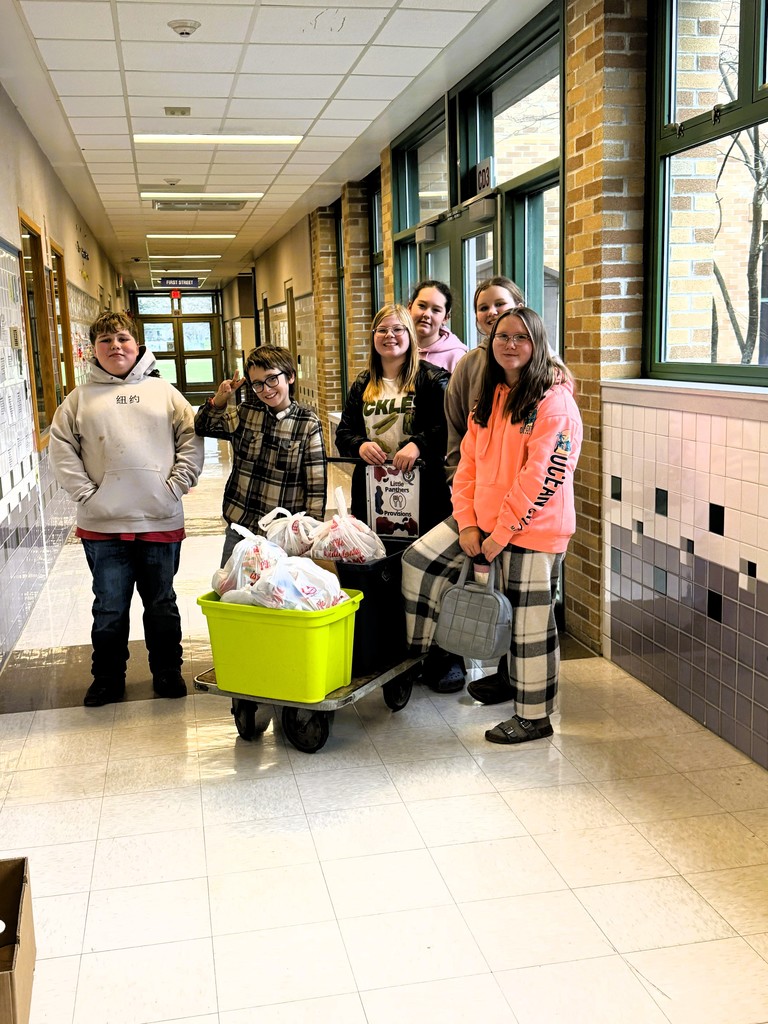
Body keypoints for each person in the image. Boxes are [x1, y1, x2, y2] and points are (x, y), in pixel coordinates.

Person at [402, 306, 582, 741]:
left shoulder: (556, 404)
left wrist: (500, 534)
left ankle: (534, 717)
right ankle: (416, 657)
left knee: (529, 626)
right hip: (481, 523)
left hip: (534, 531)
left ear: (537, 343)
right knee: (418, 562)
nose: (511, 344)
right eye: (503, 336)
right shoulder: (491, 395)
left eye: (522, 337)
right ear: (491, 342)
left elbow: (543, 480)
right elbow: (467, 465)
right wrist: (467, 524)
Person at [49, 311, 204, 707]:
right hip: (103, 525)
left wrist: (176, 486)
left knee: (162, 604)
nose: (114, 347)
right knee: (109, 608)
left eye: (122, 338)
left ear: (138, 345)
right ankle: (107, 678)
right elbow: (61, 450)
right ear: (93, 351)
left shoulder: (165, 393)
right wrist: (86, 494)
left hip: (159, 518)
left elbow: (191, 440)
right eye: (105, 341)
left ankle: (167, 671)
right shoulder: (78, 400)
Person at [194, 344, 326, 566]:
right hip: (241, 528)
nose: (266, 389)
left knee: (277, 597)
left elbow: (316, 487)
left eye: (272, 379)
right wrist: (220, 399)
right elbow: (204, 426)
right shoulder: (246, 413)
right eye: (257, 384)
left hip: (283, 537)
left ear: (290, 377)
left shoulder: (307, 424)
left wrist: (310, 536)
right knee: (229, 595)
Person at [335, 303, 451, 535]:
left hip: (423, 491)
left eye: (398, 329)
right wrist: (360, 445)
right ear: (373, 337)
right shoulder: (362, 383)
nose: (390, 335)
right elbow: (343, 433)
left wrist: (418, 445)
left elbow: (447, 428)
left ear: (410, 334)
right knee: (378, 557)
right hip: (373, 491)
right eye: (382, 330)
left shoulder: (433, 379)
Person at [445, 275, 525, 481]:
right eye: (483, 308)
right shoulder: (467, 365)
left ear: (520, 307)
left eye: (500, 304)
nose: (492, 312)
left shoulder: (546, 366)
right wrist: (457, 478)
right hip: (478, 484)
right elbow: (455, 428)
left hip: (528, 486)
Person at [407, 279, 467, 372]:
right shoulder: (398, 348)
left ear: (445, 318)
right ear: (409, 308)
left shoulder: (457, 358)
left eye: (436, 310)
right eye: (422, 306)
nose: (427, 314)